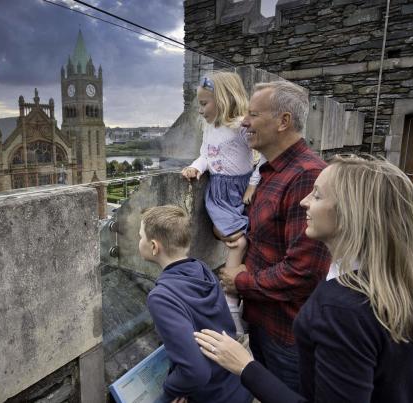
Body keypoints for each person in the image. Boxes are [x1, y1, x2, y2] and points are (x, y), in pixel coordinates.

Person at [195, 155, 413, 402]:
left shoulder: (342, 309)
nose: (303, 201)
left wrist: (244, 366)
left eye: (317, 195)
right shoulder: (390, 281)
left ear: (350, 214)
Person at [218, 80, 331, 391]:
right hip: (265, 322)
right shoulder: (273, 171)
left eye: (253, 114)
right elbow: (273, 240)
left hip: (287, 335)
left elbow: (304, 272)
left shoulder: (306, 175)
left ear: (284, 121)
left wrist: (239, 281)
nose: (244, 122)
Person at [139, 205, 252, 403]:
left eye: (141, 237)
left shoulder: (161, 297)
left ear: (154, 247)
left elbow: (196, 372)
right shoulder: (201, 269)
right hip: (234, 385)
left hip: (210, 395)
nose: (139, 241)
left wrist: (171, 389)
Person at [180, 71, 264, 336]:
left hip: (241, 190)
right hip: (219, 193)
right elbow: (205, 155)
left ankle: (238, 301)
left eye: (205, 103)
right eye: (200, 104)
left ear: (224, 99)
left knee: (248, 240)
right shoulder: (210, 127)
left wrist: (252, 184)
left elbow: (262, 158)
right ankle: (230, 306)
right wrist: (195, 167)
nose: (201, 110)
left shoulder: (241, 126)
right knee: (237, 241)